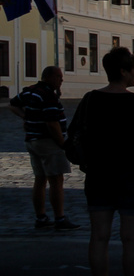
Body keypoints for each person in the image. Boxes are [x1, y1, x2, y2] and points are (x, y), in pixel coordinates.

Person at [68, 47, 134, 276]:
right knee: (131, 238)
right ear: (124, 71)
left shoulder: (91, 99)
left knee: (99, 236)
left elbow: (75, 135)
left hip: (99, 174)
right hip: (133, 175)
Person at [10, 65, 81, 231]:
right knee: (56, 180)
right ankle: (60, 218)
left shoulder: (30, 91)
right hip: (48, 142)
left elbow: (13, 105)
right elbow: (52, 123)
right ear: (49, 77)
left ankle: (41, 217)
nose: (61, 80)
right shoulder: (48, 95)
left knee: (40, 179)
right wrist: (63, 144)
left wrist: (26, 117)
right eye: (59, 77)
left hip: (32, 141)